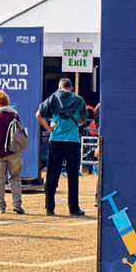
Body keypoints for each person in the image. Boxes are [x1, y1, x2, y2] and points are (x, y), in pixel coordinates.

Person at [38, 78, 86, 217]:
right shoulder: (78, 100)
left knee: (52, 173)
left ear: (60, 87)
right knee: (73, 175)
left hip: (56, 139)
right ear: (71, 88)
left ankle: (49, 207)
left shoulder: (53, 98)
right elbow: (82, 120)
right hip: (72, 140)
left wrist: (48, 127)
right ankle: (73, 208)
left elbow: (38, 114)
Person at [0, 90, 25, 215]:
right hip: (14, 152)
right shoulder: (15, 115)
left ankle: (0, 206)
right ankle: (17, 204)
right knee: (15, 178)